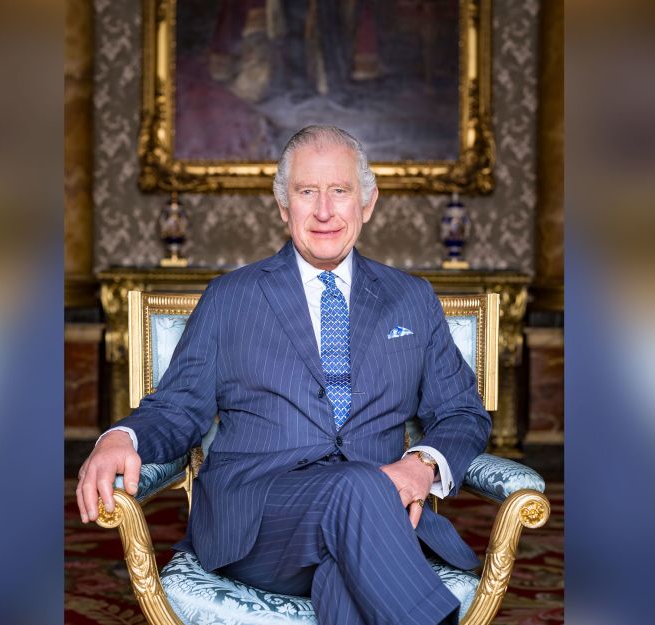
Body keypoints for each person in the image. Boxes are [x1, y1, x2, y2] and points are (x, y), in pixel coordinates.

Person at [76, 125, 490, 625]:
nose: (323, 211)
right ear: (282, 206)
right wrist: (120, 437)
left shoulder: (412, 299)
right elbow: (176, 407)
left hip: (378, 523)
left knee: (343, 573)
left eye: (339, 191)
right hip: (258, 518)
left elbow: (461, 412)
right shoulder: (230, 298)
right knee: (357, 488)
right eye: (306, 192)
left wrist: (422, 464)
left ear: (368, 202)